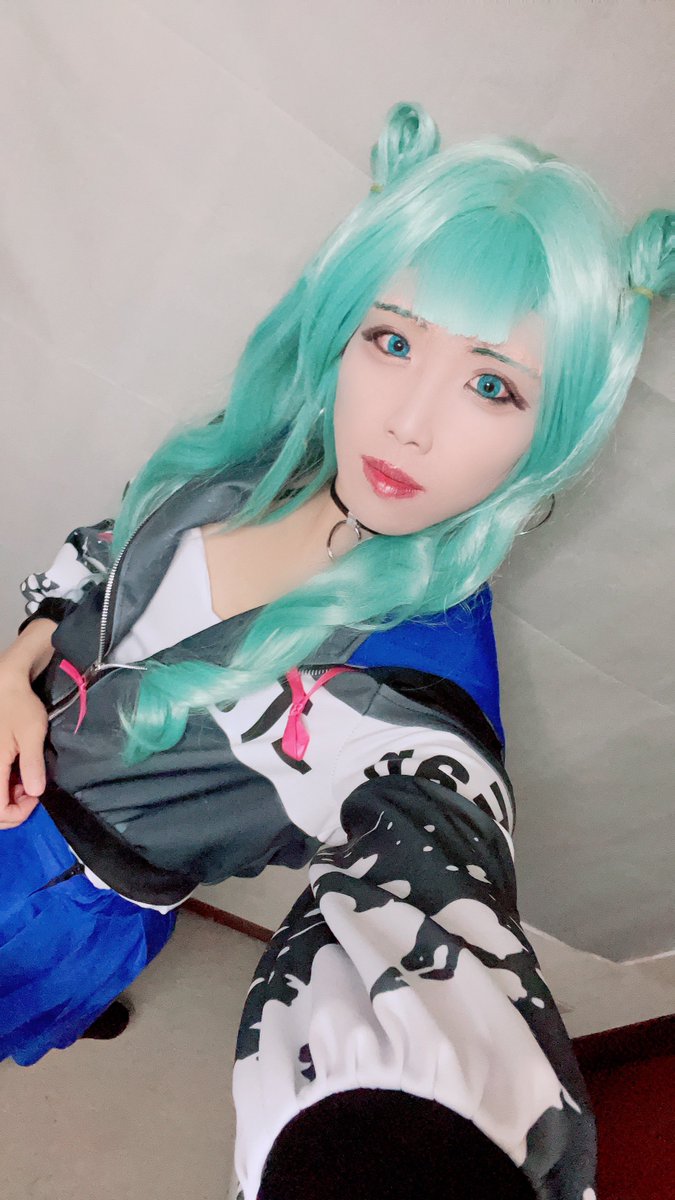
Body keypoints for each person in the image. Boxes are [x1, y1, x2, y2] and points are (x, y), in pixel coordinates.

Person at [0, 100, 671, 1198]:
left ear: (550, 434)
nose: (408, 420)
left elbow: (434, 885)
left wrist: (416, 1133)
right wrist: (17, 664)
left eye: (491, 384)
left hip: (48, 909)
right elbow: (96, 553)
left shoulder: (413, 687)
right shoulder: (246, 463)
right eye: (392, 340)